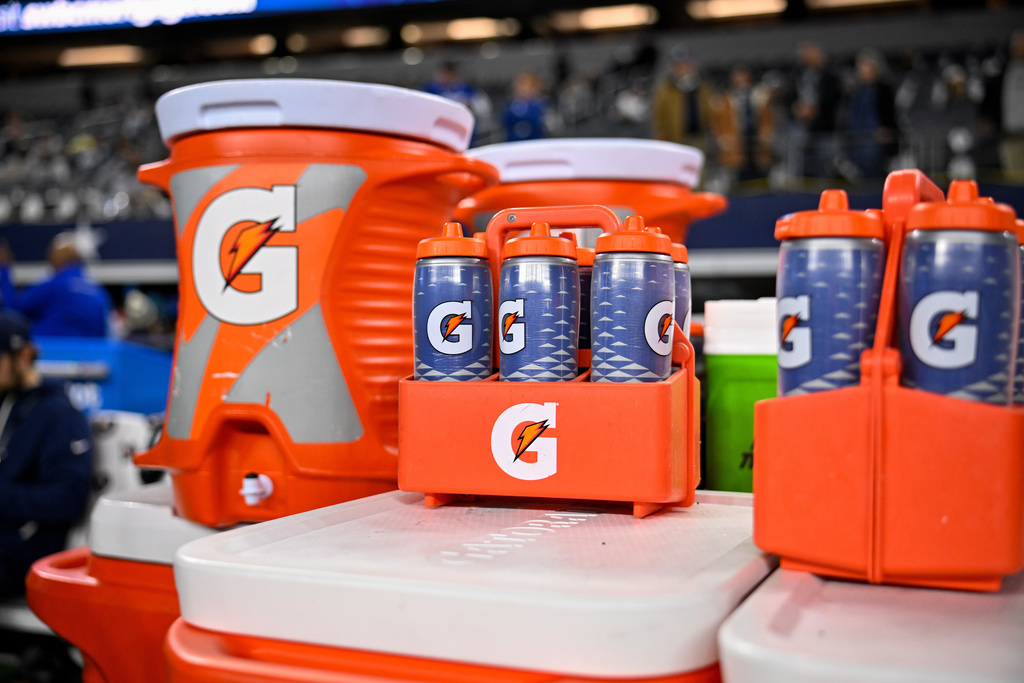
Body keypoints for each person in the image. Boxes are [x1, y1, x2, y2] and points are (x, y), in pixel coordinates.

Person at [0, 312, 93, 598]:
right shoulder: (8, 402)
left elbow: (67, 500)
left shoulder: (58, 413)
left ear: (23, 355)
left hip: (23, 550)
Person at [0, 232, 112, 337]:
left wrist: (4, 268)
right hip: (91, 356)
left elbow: (13, 310)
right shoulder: (99, 293)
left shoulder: (54, 287)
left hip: (52, 354)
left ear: (56, 258)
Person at [788, 42, 842, 178]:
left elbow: (834, 98)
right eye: (805, 56)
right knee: (799, 162)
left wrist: (816, 110)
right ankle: (799, 192)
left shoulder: (830, 76)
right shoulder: (798, 75)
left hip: (824, 128)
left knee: (825, 164)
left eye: (812, 55)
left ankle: (824, 191)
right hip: (802, 126)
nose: (808, 58)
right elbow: (789, 97)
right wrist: (797, 108)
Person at [842, 49, 897, 180]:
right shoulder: (857, 91)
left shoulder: (884, 89)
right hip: (857, 138)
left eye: (864, 66)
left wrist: (887, 129)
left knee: (875, 170)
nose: (861, 71)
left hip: (875, 140)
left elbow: (890, 112)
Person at [651, 46, 712, 150]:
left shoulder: (702, 87)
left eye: (686, 65)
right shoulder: (666, 89)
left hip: (698, 137)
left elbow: (709, 111)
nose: (683, 69)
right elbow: (658, 114)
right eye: (679, 66)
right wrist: (661, 135)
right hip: (675, 139)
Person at [502, 72, 547, 142]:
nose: (523, 88)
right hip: (513, 143)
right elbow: (505, 120)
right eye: (521, 85)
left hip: (534, 143)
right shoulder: (510, 104)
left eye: (526, 85)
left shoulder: (539, 105)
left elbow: (540, 123)